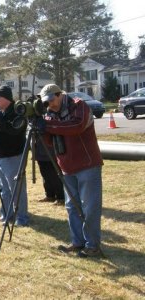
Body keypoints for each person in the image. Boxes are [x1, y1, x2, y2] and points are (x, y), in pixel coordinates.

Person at [39, 83, 103, 258]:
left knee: (90, 207)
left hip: (87, 164)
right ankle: (78, 242)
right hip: (67, 166)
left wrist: (47, 126)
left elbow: (76, 126)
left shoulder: (79, 105)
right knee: (72, 207)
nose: (50, 104)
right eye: (46, 102)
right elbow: (51, 142)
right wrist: (40, 129)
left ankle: (93, 246)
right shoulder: (50, 115)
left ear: (60, 94)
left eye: (51, 100)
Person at [0, 85, 29, 226]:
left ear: (6, 98)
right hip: (1, 157)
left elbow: (13, 132)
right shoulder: (2, 112)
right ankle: (6, 215)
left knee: (17, 189)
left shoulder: (17, 112)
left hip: (14, 156)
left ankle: (21, 218)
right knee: (4, 189)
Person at [34, 139, 65, 205]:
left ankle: (60, 197)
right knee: (45, 174)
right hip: (40, 148)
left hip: (51, 149)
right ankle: (49, 195)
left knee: (54, 175)